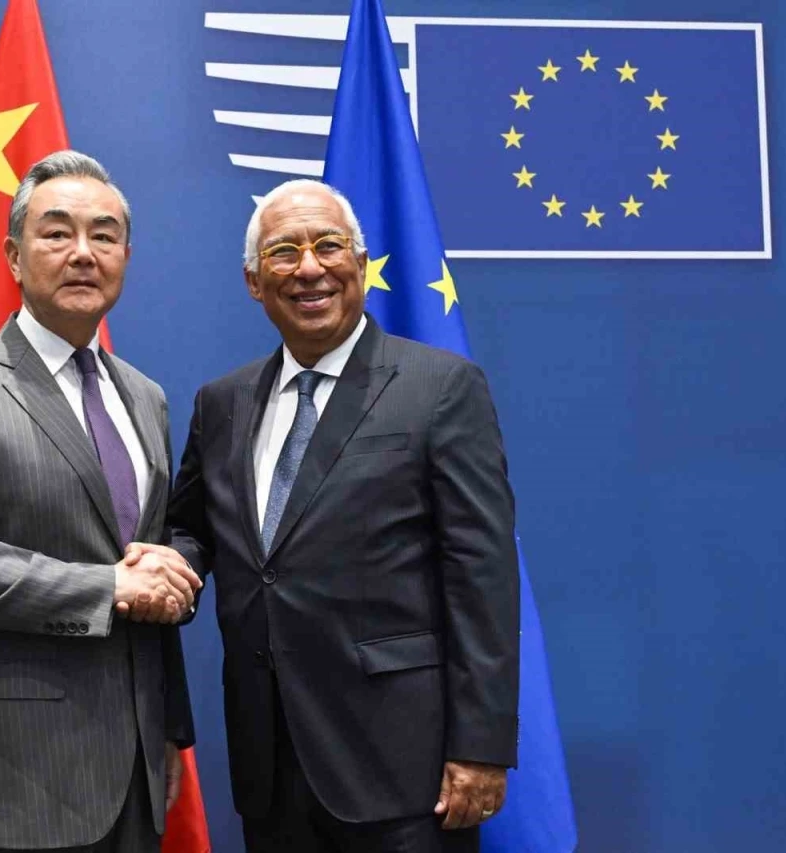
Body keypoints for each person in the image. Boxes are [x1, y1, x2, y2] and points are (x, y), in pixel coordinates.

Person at [167, 179, 521, 852]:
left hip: (405, 768)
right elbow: (192, 529)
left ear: (359, 263)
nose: (309, 268)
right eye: (284, 251)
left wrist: (481, 745)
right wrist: (168, 568)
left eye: (329, 246)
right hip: (270, 763)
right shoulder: (222, 403)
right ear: (253, 281)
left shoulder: (440, 387)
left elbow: (483, 575)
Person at [0, 150, 201, 852]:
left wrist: (167, 727)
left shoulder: (145, 396)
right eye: (57, 232)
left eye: (104, 235)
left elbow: (146, 565)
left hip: (134, 774)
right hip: (17, 775)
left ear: (126, 257)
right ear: (13, 255)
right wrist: (108, 587)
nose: (83, 253)